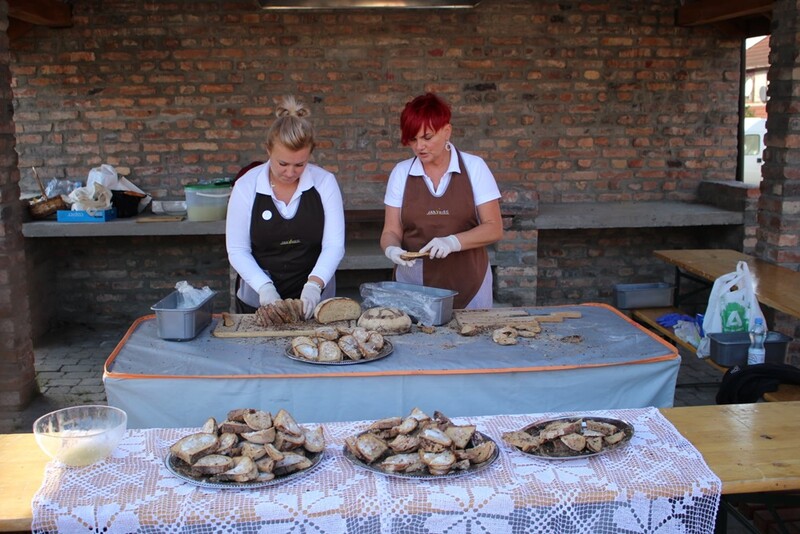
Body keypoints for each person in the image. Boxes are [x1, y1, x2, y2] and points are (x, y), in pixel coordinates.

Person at [380, 92, 503, 310]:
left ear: (447, 131)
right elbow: (391, 231)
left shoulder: (474, 168)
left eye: (427, 137)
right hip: (413, 287)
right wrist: (391, 249)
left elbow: (494, 229)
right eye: (413, 139)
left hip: (470, 284)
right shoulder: (401, 173)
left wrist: (452, 242)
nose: (419, 147)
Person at [226, 95, 345, 318]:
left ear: (310, 154)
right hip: (258, 298)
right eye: (283, 163)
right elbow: (237, 250)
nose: (290, 173)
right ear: (268, 150)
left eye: (300, 164)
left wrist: (314, 285)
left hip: (315, 297)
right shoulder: (246, 186)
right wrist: (264, 287)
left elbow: (334, 246)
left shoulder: (325, 183)